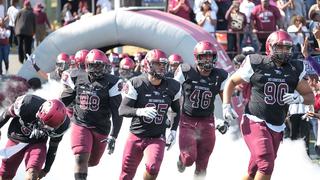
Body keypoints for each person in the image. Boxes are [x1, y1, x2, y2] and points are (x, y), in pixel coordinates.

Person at [222, 30, 314, 180]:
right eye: (279, 47)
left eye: (287, 48)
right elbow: (232, 81)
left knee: (254, 170)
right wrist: (226, 105)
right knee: (266, 165)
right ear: (269, 47)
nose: (284, 51)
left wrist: (299, 99)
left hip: (277, 125)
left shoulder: (294, 69)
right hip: (255, 120)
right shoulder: (258, 63)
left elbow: (309, 96)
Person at [60, 49, 123, 180]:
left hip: (101, 127)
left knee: (92, 162)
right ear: (88, 65)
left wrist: (114, 135)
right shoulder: (77, 77)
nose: (99, 69)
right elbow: (63, 100)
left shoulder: (112, 82)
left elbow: (117, 113)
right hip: (80, 123)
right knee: (80, 157)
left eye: (102, 66)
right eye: (96, 65)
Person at [119, 49, 181, 180]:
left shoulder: (173, 85)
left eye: (163, 64)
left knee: (153, 168)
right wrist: (139, 111)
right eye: (157, 64)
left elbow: (176, 110)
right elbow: (123, 109)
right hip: (136, 135)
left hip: (157, 137)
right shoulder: (136, 83)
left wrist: (174, 131)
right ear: (148, 64)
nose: (162, 67)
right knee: (126, 174)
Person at [173, 40, 228, 178]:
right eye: (204, 56)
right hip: (187, 120)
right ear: (197, 57)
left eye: (210, 56)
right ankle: (181, 159)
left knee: (203, 163)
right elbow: (172, 93)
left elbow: (225, 99)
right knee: (188, 159)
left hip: (207, 121)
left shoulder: (220, 75)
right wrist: (170, 115)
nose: (207, 60)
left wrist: (225, 116)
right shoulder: (186, 71)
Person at [0, 95, 70, 180]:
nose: (44, 127)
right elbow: (7, 113)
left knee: (32, 173)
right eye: (43, 123)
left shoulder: (62, 127)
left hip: (37, 143)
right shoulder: (28, 103)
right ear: (40, 111)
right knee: (5, 175)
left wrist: (46, 169)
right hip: (17, 137)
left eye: (49, 127)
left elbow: (53, 148)